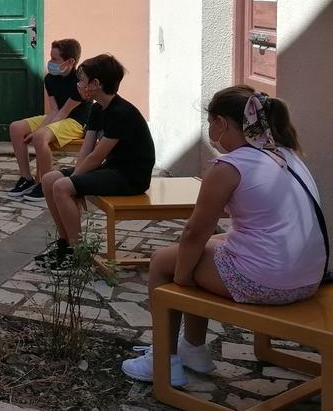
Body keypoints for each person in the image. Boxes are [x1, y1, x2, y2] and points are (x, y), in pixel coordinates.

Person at [121, 86, 324, 386]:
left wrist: (182, 278)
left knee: (165, 260)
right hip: (308, 279)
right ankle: (193, 349)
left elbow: (193, 231)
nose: (209, 130)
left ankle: (164, 360)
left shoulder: (229, 167)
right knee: (209, 245)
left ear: (221, 123)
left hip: (267, 282)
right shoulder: (287, 155)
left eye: (210, 122)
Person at [37, 54, 156, 270]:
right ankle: (65, 243)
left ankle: (77, 252)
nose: (79, 84)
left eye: (82, 80)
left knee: (63, 186)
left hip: (130, 177)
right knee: (49, 179)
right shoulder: (98, 108)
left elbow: (97, 156)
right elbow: (87, 147)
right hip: (111, 169)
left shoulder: (122, 113)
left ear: (96, 84)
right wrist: (77, 180)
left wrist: (75, 182)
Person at [5, 38, 91, 200]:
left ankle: (45, 184)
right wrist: (40, 128)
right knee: (16, 128)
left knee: (40, 136)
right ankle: (27, 178)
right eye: (50, 58)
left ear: (70, 61)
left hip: (76, 122)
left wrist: (40, 131)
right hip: (59, 115)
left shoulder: (78, 82)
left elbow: (64, 113)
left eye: (55, 59)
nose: (50, 62)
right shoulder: (50, 79)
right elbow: (55, 110)